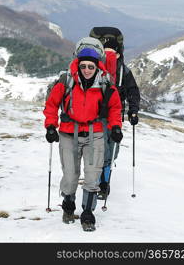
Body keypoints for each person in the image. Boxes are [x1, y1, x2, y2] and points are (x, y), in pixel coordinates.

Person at [43, 45, 123, 231]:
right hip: (68, 132)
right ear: (78, 65)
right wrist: (50, 126)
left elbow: (114, 108)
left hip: (94, 132)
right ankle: (69, 204)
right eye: (84, 66)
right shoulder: (66, 81)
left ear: (97, 67)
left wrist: (116, 127)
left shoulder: (105, 83)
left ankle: (88, 213)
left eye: (91, 67)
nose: (87, 70)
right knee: (70, 175)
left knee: (92, 175)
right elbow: (52, 104)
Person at [97, 37, 140, 199]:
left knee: (111, 151)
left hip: (111, 116)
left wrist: (133, 111)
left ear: (117, 54)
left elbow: (133, 92)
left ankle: (103, 181)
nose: (109, 56)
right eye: (106, 52)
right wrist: (133, 111)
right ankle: (103, 184)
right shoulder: (122, 71)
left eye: (111, 53)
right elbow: (133, 92)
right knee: (106, 150)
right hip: (102, 117)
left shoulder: (122, 71)